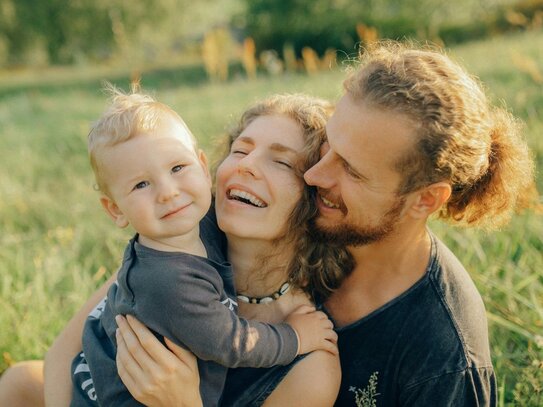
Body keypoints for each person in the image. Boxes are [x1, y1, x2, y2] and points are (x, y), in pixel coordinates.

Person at [89, 42, 537, 406]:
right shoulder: (221, 230)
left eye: (352, 170)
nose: (316, 176)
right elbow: (67, 358)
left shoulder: (443, 357)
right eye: (326, 150)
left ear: (424, 200)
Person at [0, 93, 349, 406]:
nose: (245, 164)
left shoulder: (310, 365)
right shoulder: (171, 249)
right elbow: (63, 354)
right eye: (240, 150)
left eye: (282, 162)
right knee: (18, 382)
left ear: (316, 199)